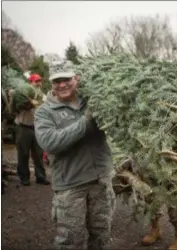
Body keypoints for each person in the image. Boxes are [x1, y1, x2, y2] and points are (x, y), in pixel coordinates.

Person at [34, 60, 116, 249]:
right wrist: (86, 121)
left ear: (76, 79)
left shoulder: (94, 101)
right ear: (51, 83)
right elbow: (50, 142)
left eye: (66, 79)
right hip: (71, 186)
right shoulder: (45, 112)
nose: (62, 85)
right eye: (57, 81)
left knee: (101, 234)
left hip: (101, 182)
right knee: (71, 240)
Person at [10, 73, 50, 186]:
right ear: (30, 83)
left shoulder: (42, 96)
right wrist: (29, 103)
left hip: (37, 128)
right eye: (36, 81)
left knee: (38, 153)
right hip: (23, 127)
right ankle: (24, 177)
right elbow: (14, 108)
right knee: (23, 153)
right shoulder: (22, 93)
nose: (38, 83)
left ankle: (41, 177)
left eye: (39, 81)